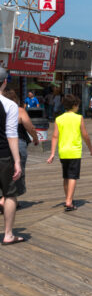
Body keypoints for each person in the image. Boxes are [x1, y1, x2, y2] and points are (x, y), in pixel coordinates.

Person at [46, 94, 92, 211]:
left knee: (66, 176)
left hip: (63, 152)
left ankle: (67, 198)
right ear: (74, 105)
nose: (78, 107)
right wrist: (91, 148)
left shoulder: (59, 119)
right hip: (74, 151)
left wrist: (52, 153)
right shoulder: (78, 118)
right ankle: (69, 201)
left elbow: (54, 136)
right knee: (73, 176)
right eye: (77, 105)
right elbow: (85, 135)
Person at [0, 89, 38, 226]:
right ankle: (8, 200)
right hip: (18, 143)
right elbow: (30, 127)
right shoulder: (18, 109)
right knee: (17, 173)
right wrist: (35, 138)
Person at [0, 69, 25, 244]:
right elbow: (11, 134)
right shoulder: (10, 105)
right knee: (9, 194)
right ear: (4, 82)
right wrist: (17, 160)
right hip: (3, 155)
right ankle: (8, 234)